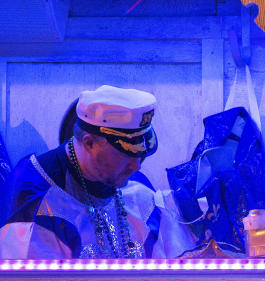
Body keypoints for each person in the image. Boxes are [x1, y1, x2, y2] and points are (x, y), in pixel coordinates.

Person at [0, 85, 194, 258]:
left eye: (141, 155)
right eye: (125, 155)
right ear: (89, 143)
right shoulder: (34, 206)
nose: (136, 167)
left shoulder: (134, 186)